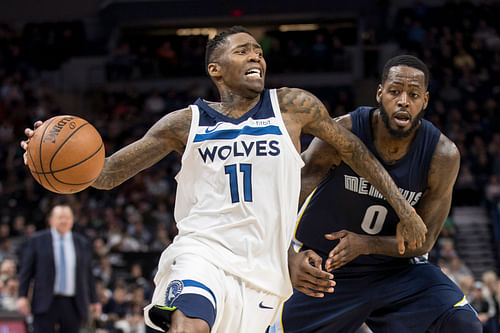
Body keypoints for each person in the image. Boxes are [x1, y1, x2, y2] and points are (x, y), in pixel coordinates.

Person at [22, 27, 426, 332]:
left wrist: (404, 208)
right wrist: (46, 159)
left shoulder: (293, 107)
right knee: (191, 321)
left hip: (265, 276)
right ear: (215, 69)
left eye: (259, 51)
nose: (257, 57)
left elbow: (355, 151)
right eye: (243, 51)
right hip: (202, 254)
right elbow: (106, 174)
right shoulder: (184, 123)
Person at [272, 55, 482, 333]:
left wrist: (367, 244)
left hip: (397, 271)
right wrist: (289, 256)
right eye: (395, 91)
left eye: (414, 94)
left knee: (461, 323)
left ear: (426, 101)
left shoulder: (442, 155)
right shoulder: (343, 132)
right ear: (380, 93)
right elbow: (286, 199)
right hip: (326, 266)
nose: (404, 100)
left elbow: (425, 241)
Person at [17, 204, 101, 333]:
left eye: (67, 218)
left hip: (73, 302)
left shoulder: (82, 242)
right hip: (45, 300)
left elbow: (88, 274)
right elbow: (26, 271)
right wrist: (22, 296)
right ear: (51, 220)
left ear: (72, 221)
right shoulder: (37, 240)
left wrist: (95, 299)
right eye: (60, 217)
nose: (64, 221)